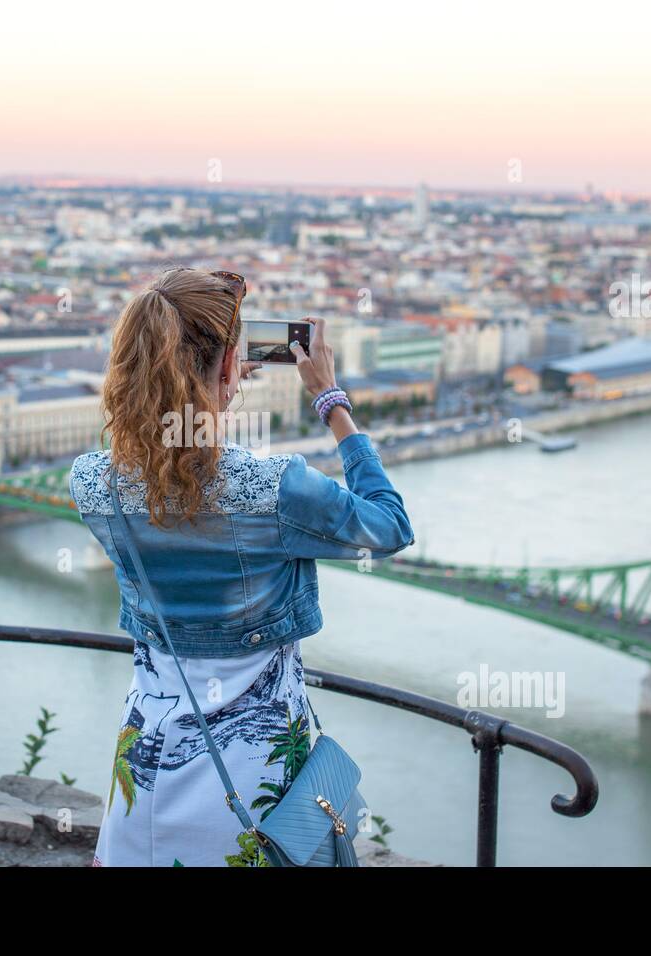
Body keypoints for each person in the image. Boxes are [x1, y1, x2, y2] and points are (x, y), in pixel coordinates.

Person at [69, 267, 413, 866]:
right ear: (230, 367)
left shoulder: (90, 484)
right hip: (255, 774)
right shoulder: (274, 491)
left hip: (150, 755)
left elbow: (167, 471)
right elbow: (388, 526)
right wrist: (330, 399)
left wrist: (209, 384)